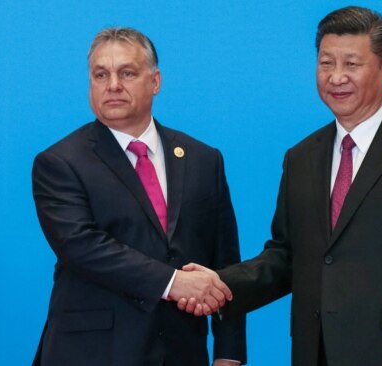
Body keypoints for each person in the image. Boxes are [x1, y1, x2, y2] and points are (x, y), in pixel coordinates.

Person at [180, 6, 382, 366]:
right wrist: (222, 283)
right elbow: (286, 258)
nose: (336, 77)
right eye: (326, 64)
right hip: (314, 352)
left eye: (351, 64)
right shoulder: (302, 157)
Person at [31, 27, 245, 366]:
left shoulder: (204, 159)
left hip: (182, 352)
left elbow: (224, 262)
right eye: (101, 74)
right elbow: (83, 247)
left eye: (127, 73)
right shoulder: (60, 162)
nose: (112, 84)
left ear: (155, 81)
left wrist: (229, 353)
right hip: (93, 353)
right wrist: (173, 283)